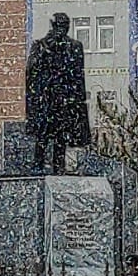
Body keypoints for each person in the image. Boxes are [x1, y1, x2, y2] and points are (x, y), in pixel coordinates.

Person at [25, 13, 91, 173]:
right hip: (50, 99)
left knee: (57, 137)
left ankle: (53, 168)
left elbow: (78, 77)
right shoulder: (41, 46)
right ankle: (42, 167)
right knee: (45, 136)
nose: (62, 29)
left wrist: (78, 104)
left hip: (60, 100)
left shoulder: (73, 46)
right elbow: (31, 74)